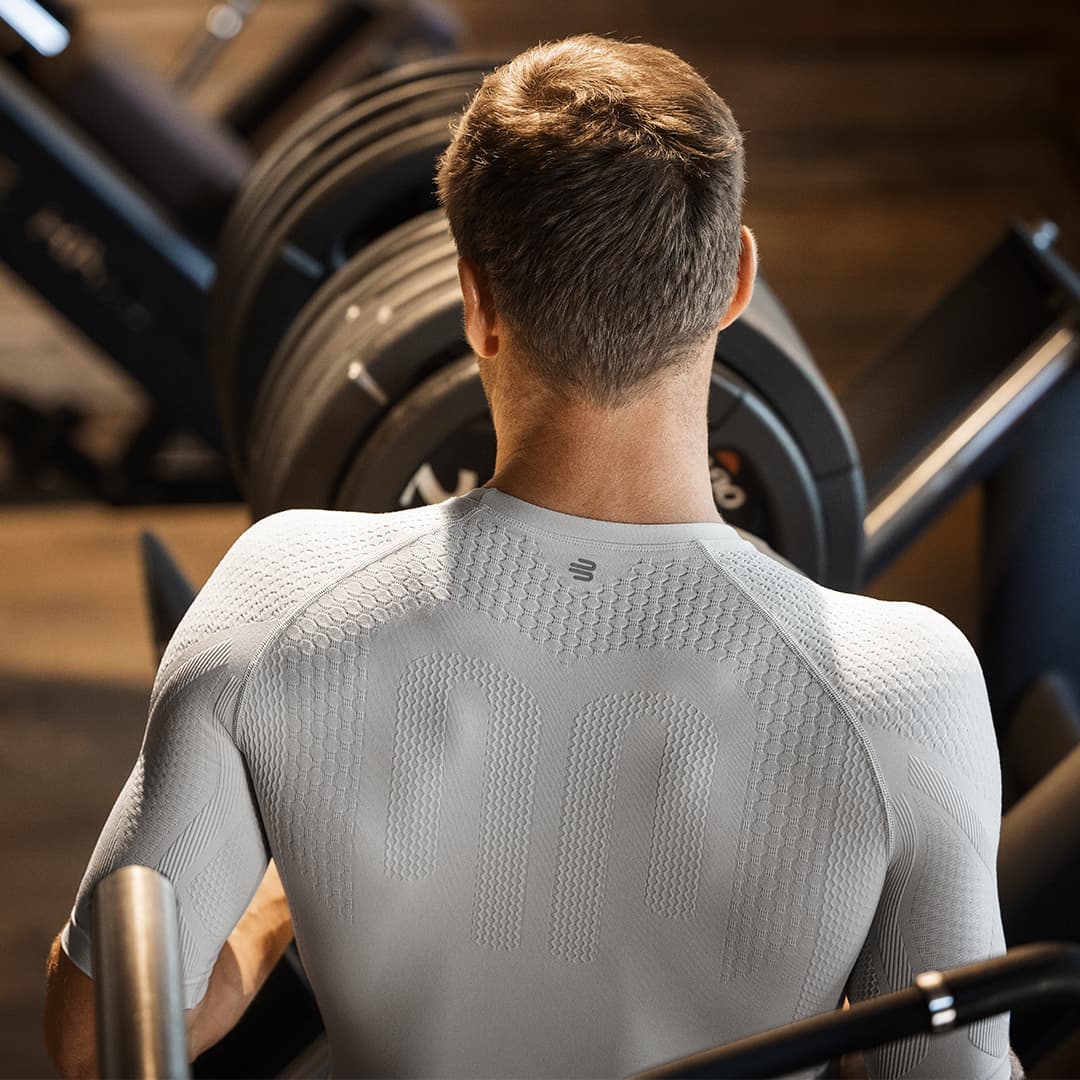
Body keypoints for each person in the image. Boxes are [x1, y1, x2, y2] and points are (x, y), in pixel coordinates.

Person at [44, 34, 1012, 1079]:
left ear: (475, 303)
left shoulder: (278, 599)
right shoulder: (905, 686)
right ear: (736, 281)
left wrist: (289, 885)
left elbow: (99, 1038)